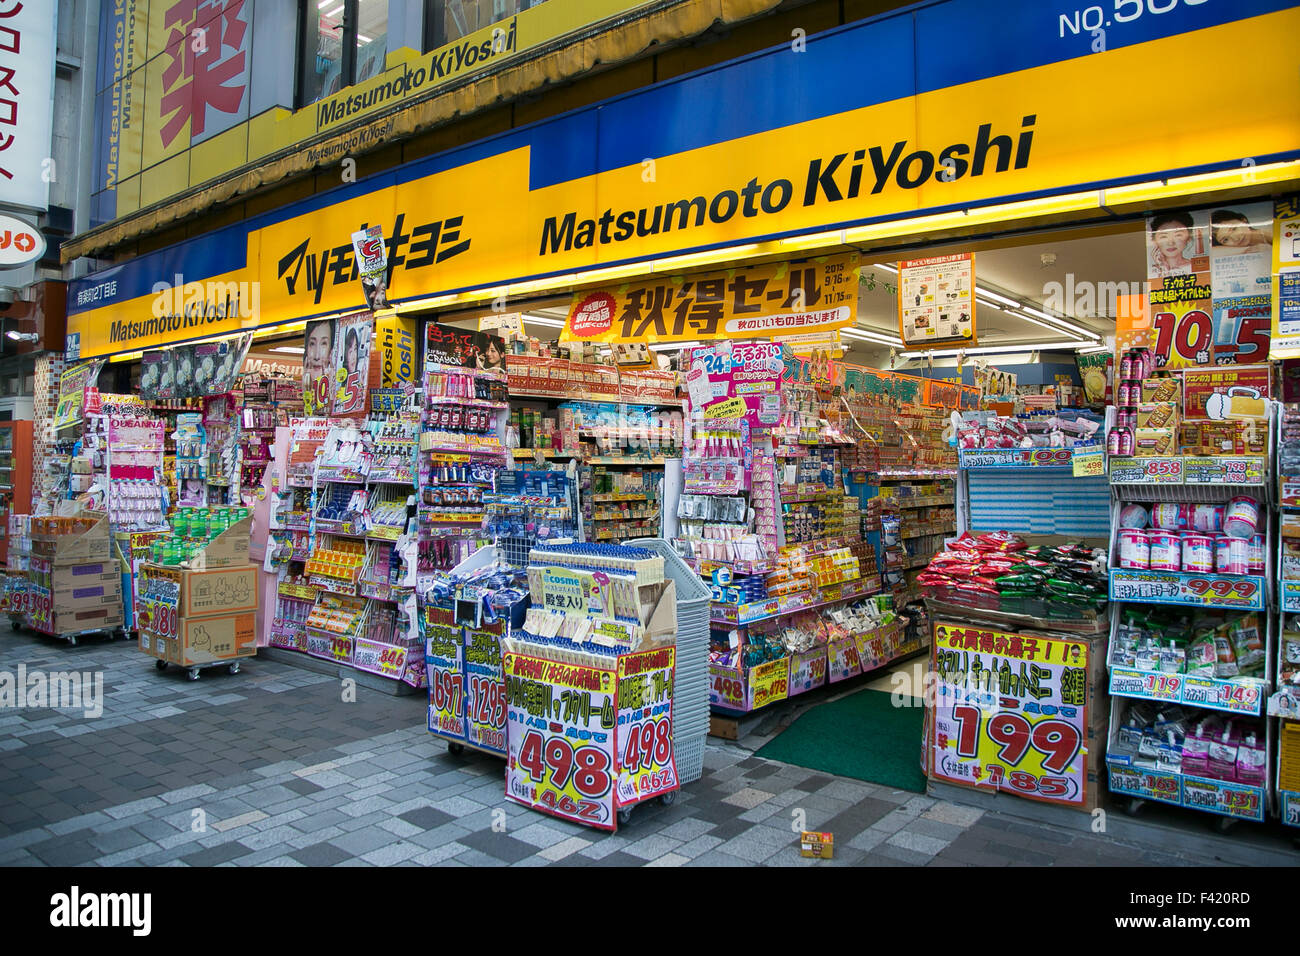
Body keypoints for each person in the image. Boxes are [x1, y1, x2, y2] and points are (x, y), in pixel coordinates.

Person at [1148, 211, 1199, 277]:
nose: (1170, 243)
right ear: (1154, 241)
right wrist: (1163, 268)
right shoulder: (1151, 271)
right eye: (1164, 237)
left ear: (1189, 238)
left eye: (1178, 235)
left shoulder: (1196, 267)